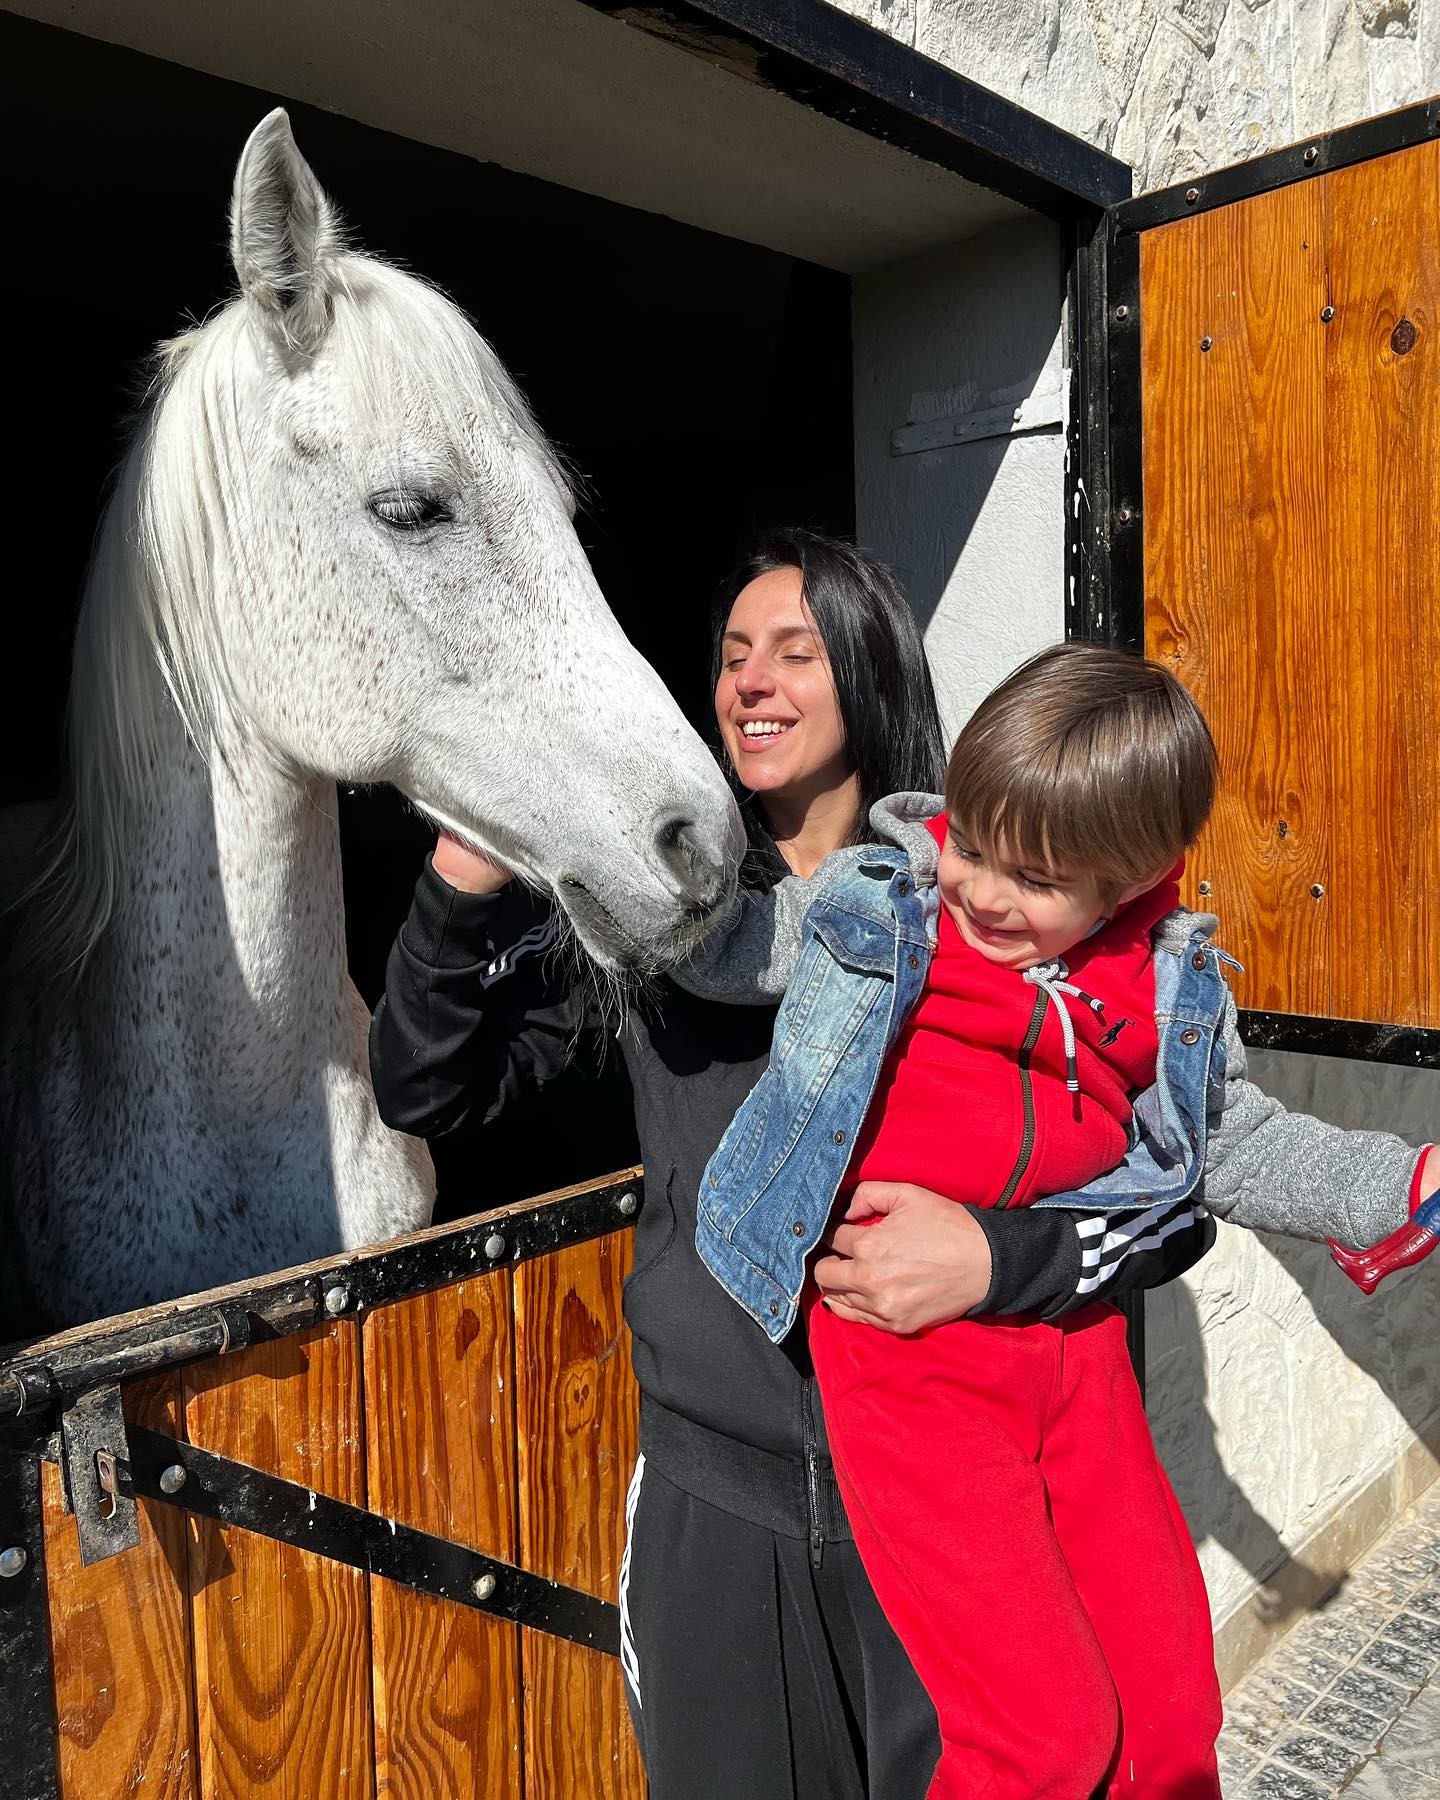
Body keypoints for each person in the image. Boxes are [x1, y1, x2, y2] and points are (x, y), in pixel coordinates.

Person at [369, 530, 1222, 1798]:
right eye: (729, 658)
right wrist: (465, 870)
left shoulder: (1001, 908)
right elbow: (427, 1084)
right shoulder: (657, 924)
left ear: (870, 673)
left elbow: (1179, 1202)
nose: (748, 682)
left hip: (949, 1511)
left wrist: (1000, 1259)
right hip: (722, 1506)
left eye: (795, 651)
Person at [676, 641, 1440, 1798]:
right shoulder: (885, 910)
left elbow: (1231, 1144)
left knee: (1171, 1720)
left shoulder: (1164, 987)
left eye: (1035, 879)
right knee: (1041, 1743)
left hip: (1074, 1354)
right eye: (975, 844)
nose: (983, 890)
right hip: (913, 1369)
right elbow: (724, 944)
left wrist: (1409, 1181)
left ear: (1131, 884)